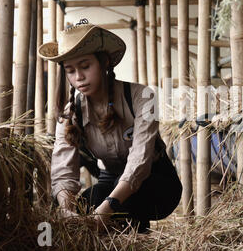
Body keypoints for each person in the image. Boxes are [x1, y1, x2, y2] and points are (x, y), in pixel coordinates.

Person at [38, 19, 182, 232]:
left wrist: (109, 206)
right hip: (110, 177)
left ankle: (137, 242)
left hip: (155, 180)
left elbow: (139, 162)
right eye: (70, 70)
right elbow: (63, 172)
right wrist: (67, 210)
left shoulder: (141, 97)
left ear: (105, 62)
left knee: (121, 203)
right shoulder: (71, 113)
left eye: (86, 66)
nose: (78, 77)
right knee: (87, 203)